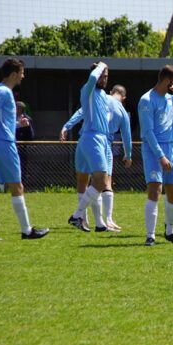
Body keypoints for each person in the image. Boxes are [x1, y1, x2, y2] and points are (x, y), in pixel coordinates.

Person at [0, 58, 49, 241]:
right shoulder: (5, 93)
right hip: (4, 144)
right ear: (15, 73)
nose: (23, 76)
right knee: (17, 186)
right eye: (22, 72)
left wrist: (16, 124)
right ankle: (27, 230)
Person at [61, 84, 132, 231]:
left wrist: (66, 126)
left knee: (83, 181)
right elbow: (126, 135)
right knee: (103, 182)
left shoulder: (99, 98)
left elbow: (80, 112)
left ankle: (91, 221)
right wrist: (128, 154)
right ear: (124, 98)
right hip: (102, 142)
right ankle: (102, 219)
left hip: (83, 140)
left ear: (111, 92)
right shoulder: (122, 111)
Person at [138, 65, 173, 246]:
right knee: (155, 190)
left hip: (172, 149)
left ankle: (170, 230)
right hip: (154, 150)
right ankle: (150, 235)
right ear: (168, 81)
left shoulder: (172, 99)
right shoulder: (147, 100)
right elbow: (147, 132)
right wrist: (161, 156)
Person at [67, 62, 111, 232]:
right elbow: (93, 77)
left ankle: (98, 223)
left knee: (95, 182)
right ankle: (77, 215)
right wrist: (102, 65)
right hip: (92, 138)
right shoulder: (88, 88)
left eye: (106, 76)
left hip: (98, 139)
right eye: (102, 75)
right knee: (99, 181)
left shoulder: (102, 95)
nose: (104, 79)